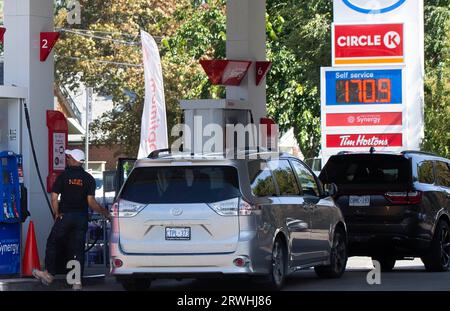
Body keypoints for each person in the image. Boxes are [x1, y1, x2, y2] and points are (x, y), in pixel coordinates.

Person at [32, 149, 111, 290]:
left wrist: (56, 213)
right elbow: (91, 202)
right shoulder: (89, 178)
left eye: (68, 157)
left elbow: (54, 197)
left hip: (65, 216)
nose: (67, 159)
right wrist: (105, 213)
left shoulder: (63, 176)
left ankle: (49, 274)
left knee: (53, 242)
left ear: (74, 160)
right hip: (81, 218)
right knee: (78, 248)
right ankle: (76, 282)